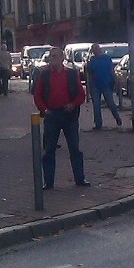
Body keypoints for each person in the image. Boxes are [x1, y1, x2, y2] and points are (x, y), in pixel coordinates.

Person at [33, 46, 89, 189]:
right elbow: (37, 94)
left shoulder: (71, 74)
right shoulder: (44, 75)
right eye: (51, 56)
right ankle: (49, 182)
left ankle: (80, 179)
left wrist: (73, 104)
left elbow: (81, 94)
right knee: (49, 150)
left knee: (74, 148)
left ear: (62, 58)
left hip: (68, 115)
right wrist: (44, 109)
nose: (53, 59)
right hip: (52, 115)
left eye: (56, 56)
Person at [84, 43, 122, 129]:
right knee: (96, 105)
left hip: (106, 84)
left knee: (110, 103)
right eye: (94, 49)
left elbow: (111, 70)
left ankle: (117, 117)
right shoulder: (91, 61)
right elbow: (89, 74)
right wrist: (89, 87)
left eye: (96, 49)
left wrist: (115, 80)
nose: (96, 51)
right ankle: (98, 124)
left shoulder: (106, 58)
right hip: (95, 85)